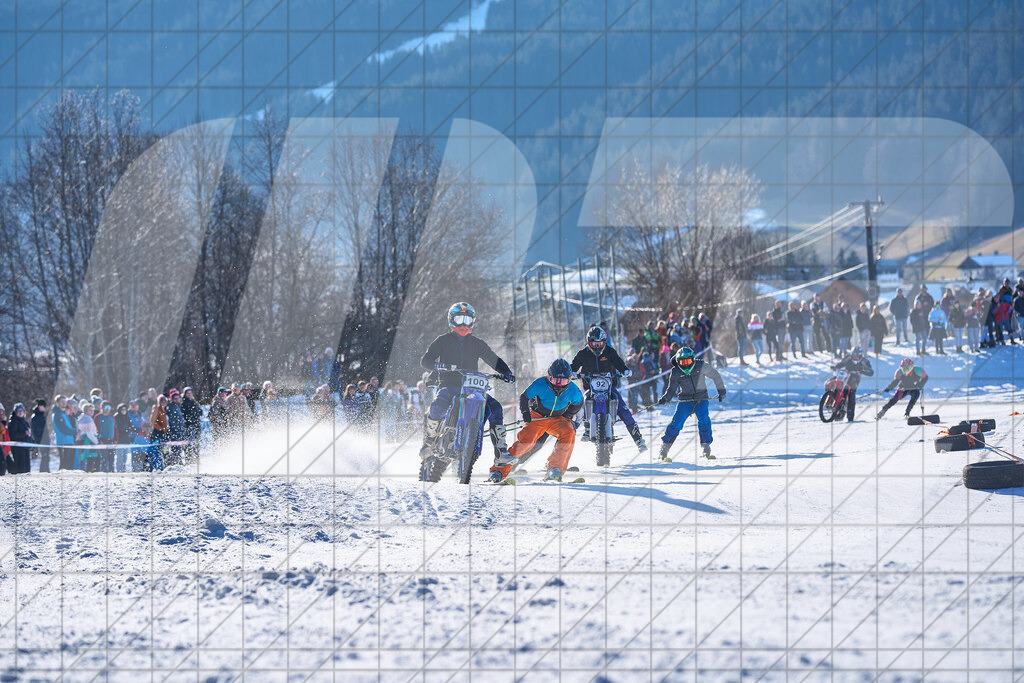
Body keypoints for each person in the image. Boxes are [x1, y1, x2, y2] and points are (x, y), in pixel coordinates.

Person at [418, 302, 515, 469]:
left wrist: (506, 372)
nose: (463, 324)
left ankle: (501, 452)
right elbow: (425, 361)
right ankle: (430, 440)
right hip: (449, 384)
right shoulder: (442, 341)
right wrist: (437, 366)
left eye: (467, 320)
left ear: (472, 322)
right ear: (451, 321)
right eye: (459, 319)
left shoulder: (477, 343)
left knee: (496, 408)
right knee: (438, 404)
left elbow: (494, 360)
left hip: (473, 387)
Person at [489, 359, 584, 483]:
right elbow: (524, 397)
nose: (558, 385)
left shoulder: (573, 390)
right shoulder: (540, 383)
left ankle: (555, 469)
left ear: (570, 379)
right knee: (527, 442)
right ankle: (498, 471)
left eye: (564, 381)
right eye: (555, 381)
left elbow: (578, 404)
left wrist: (567, 416)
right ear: (549, 377)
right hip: (538, 417)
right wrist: (525, 413)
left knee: (569, 432)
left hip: (557, 419)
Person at [569, 325, 646, 452]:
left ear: (604, 342)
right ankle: (586, 429)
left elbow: (618, 362)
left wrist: (625, 370)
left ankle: (638, 439)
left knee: (623, 408)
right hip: (590, 387)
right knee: (581, 405)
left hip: (609, 387)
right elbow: (574, 365)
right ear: (589, 342)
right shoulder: (583, 353)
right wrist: (571, 372)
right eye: (594, 344)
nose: (598, 347)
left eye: (600, 344)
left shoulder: (610, 351)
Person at [656, 346, 727, 461]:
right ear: (678, 362)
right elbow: (671, 388)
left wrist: (721, 391)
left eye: (688, 361)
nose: (686, 365)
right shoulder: (675, 371)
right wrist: (665, 398)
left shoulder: (701, 365)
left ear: (693, 359)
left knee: (704, 420)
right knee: (676, 423)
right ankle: (665, 448)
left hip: (701, 398)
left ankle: (706, 446)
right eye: (682, 362)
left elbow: (715, 375)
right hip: (685, 400)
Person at [830, 346, 874, 422]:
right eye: (854, 355)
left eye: (858, 356)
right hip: (845, 375)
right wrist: (835, 367)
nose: (856, 357)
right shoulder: (848, 358)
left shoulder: (864, 361)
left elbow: (871, 372)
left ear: (861, 355)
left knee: (851, 394)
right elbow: (841, 364)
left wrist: (862, 371)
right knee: (832, 383)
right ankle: (830, 399)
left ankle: (850, 416)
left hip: (855, 378)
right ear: (851, 355)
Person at [52, 395, 77, 470]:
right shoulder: (57, 414)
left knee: (69, 465)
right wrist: (74, 432)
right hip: (63, 441)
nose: (64, 403)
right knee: (64, 465)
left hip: (69, 441)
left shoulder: (64, 414)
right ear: (57, 403)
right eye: (61, 401)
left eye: (65, 401)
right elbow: (63, 428)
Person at [8, 403, 32, 474]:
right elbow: (13, 436)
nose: (20, 412)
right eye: (18, 411)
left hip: (25, 448)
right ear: (15, 412)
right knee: (20, 469)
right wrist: (24, 433)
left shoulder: (25, 422)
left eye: (22, 410)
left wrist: (32, 442)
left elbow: (29, 434)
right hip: (17, 449)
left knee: (27, 469)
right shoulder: (13, 422)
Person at [76, 402, 100, 471]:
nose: (92, 412)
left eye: (93, 410)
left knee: (86, 460)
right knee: (92, 459)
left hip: (83, 441)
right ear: (86, 411)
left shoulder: (82, 417)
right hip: (89, 441)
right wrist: (96, 442)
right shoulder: (87, 419)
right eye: (90, 410)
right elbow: (89, 433)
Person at [148, 395, 169, 471]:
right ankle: (153, 468)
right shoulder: (156, 408)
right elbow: (152, 422)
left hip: (163, 434)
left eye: (165, 401)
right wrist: (161, 429)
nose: (163, 403)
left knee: (163, 451)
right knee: (155, 451)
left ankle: (161, 467)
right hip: (156, 433)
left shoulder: (165, 410)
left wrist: (165, 430)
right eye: (162, 401)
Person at [181, 387, 203, 463]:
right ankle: (188, 460)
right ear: (185, 394)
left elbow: (200, 411)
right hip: (188, 426)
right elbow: (186, 414)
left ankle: (196, 459)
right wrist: (193, 415)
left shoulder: (194, 401)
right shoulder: (184, 402)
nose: (189, 395)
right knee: (188, 445)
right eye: (188, 393)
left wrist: (197, 412)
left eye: (190, 393)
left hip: (196, 425)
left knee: (196, 444)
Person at [166, 389, 186, 466]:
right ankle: (175, 462)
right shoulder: (171, 407)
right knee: (176, 448)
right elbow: (173, 421)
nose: (177, 399)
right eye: (175, 398)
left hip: (180, 430)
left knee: (179, 447)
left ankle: (178, 461)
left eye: (178, 398)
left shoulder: (178, 406)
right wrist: (176, 429)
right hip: (175, 431)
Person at [96, 402, 116, 472]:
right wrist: (99, 440)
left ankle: (111, 472)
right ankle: (103, 472)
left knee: (111, 459)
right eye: (106, 407)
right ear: (102, 408)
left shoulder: (112, 417)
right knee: (104, 458)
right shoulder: (98, 417)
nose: (107, 409)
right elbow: (96, 429)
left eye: (109, 408)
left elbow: (115, 429)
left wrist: (116, 440)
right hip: (102, 441)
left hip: (111, 441)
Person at [30, 399, 49, 473]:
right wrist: (39, 441)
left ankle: (45, 471)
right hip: (41, 441)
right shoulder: (35, 416)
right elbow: (35, 431)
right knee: (44, 457)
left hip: (45, 440)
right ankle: (44, 472)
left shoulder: (42, 415)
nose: (45, 408)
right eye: (44, 406)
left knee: (46, 457)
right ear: (40, 406)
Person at [113, 403, 133, 472]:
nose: (124, 411)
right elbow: (118, 428)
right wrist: (125, 430)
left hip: (126, 440)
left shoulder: (127, 417)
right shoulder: (116, 417)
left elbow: (131, 427)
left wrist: (127, 431)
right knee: (119, 458)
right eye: (122, 409)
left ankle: (123, 471)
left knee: (125, 457)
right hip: (119, 440)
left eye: (125, 409)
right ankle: (119, 471)